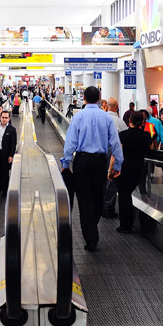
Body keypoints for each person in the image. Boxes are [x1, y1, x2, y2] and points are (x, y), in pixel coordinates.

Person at [62, 86, 124, 252]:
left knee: (84, 199)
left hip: (81, 161)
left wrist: (66, 162)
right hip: (100, 162)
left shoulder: (78, 116)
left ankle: (91, 238)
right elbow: (115, 143)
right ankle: (92, 229)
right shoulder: (107, 118)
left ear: (84, 98)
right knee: (98, 196)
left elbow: (70, 142)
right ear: (99, 99)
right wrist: (117, 164)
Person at [111, 112, 154, 233]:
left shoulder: (123, 135)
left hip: (123, 170)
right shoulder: (146, 135)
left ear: (129, 120)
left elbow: (116, 154)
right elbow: (151, 148)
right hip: (138, 170)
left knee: (123, 196)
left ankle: (125, 224)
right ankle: (128, 223)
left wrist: (111, 169)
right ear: (143, 121)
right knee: (127, 194)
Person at [103, 98, 127, 218]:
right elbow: (125, 139)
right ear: (117, 106)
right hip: (112, 152)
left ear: (106, 106)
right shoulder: (120, 122)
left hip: (99, 151)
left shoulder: (101, 118)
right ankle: (108, 207)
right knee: (111, 179)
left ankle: (99, 204)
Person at [0, 111, 17, 197]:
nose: (4, 119)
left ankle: (4, 190)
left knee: (5, 172)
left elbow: (13, 143)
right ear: (0, 118)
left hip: (5, 154)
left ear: (9, 119)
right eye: (3, 117)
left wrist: (11, 155)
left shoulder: (12, 129)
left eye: (6, 118)